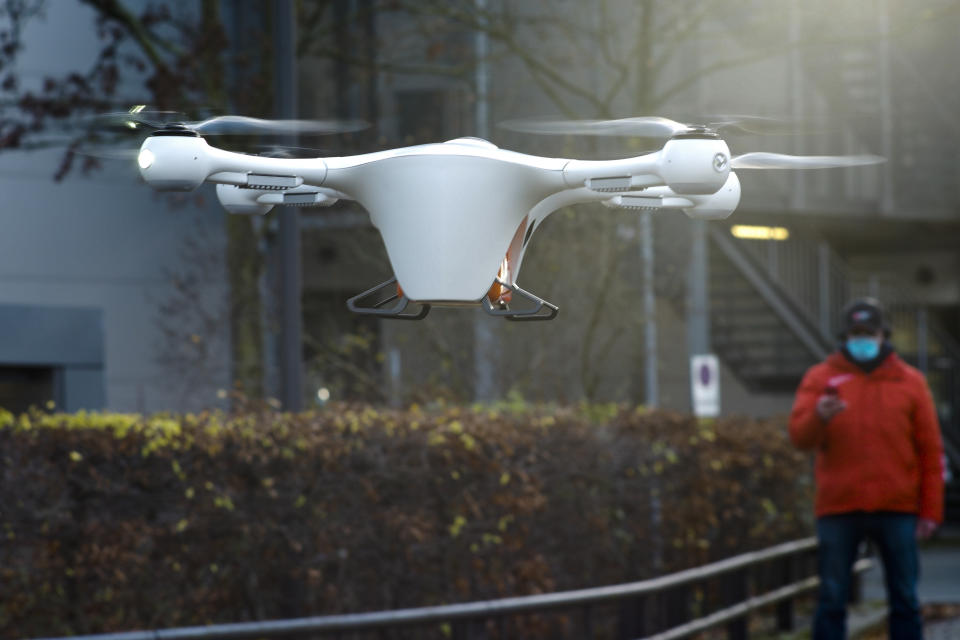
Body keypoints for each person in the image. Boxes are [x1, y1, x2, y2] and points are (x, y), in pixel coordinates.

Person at [789, 298, 944, 640]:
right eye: (855, 333)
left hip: (897, 506)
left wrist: (930, 509)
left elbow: (930, 451)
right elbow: (799, 437)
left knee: (904, 597)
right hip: (839, 506)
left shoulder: (910, 382)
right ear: (844, 337)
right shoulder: (821, 378)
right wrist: (820, 416)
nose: (861, 340)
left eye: (868, 332)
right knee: (832, 597)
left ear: (882, 335)